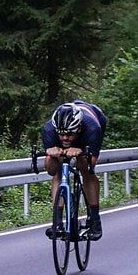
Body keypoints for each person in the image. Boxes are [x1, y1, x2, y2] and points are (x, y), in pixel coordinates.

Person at [42, 101, 107, 240]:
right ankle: (57, 222)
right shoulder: (49, 129)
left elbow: (91, 164)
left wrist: (81, 153)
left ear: (78, 128)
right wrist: (52, 155)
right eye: (61, 134)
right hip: (68, 133)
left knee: (87, 171)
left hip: (94, 120)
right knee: (57, 171)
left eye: (70, 134)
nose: (65, 138)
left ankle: (95, 220)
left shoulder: (92, 128)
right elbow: (50, 170)